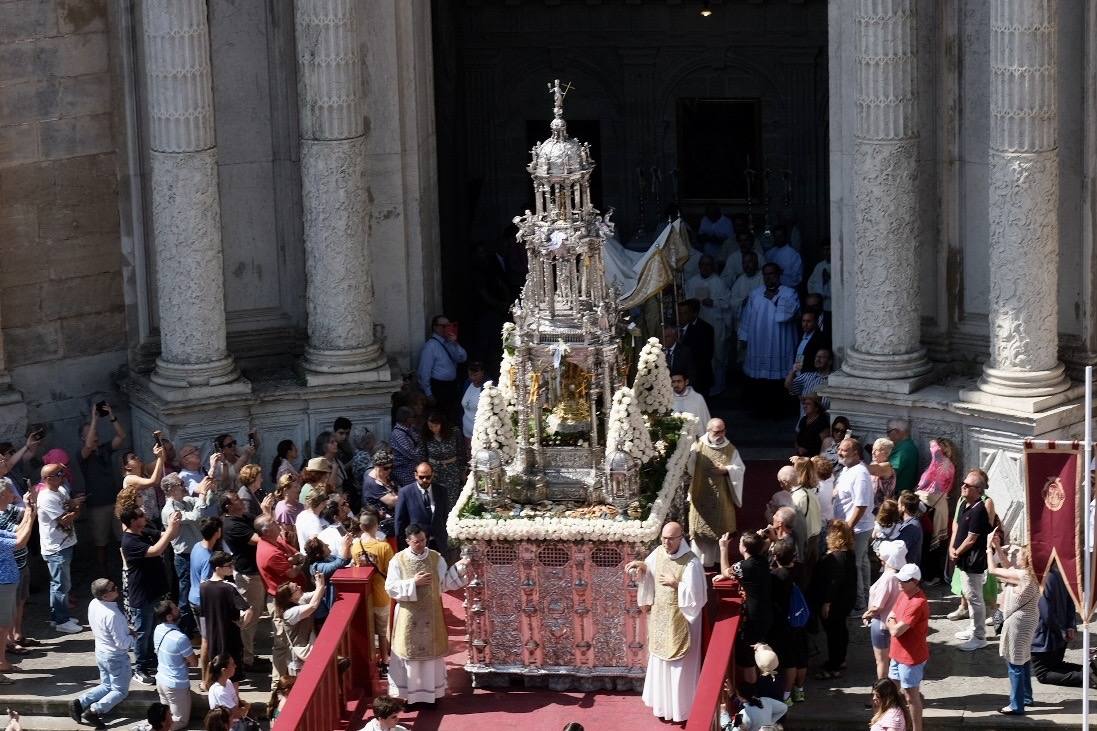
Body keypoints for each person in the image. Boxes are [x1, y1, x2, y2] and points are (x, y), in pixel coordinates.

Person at [626, 522, 706, 722]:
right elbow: (649, 568)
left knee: (678, 664)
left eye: (670, 539)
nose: (666, 542)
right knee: (660, 660)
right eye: (663, 538)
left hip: (681, 621)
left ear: (681, 538)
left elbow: (698, 597)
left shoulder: (691, 562)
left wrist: (676, 584)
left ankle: (680, 710)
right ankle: (662, 706)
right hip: (661, 617)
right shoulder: (659, 551)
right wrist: (640, 566)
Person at [385, 523, 471, 703]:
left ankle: (431, 695)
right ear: (408, 541)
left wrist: (460, 568)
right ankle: (408, 697)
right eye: (417, 542)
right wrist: (413, 583)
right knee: (410, 657)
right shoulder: (398, 560)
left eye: (423, 540)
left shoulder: (435, 558)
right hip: (408, 617)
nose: (421, 544)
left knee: (430, 658)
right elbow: (390, 588)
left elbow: (445, 583)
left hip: (431, 615)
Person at [121, 505, 182, 685]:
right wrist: (170, 529)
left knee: (154, 628)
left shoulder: (144, 532)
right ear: (132, 520)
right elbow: (155, 550)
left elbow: (167, 538)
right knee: (143, 632)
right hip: (142, 594)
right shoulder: (129, 541)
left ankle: (151, 659)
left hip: (155, 591)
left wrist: (174, 526)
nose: (144, 516)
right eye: (140, 514)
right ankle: (140, 668)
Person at [71, 578, 133, 729]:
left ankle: (80, 702)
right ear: (105, 596)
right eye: (113, 588)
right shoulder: (113, 615)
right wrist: (133, 637)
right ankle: (94, 710)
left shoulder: (94, 604)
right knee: (120, 690)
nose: (116, 588)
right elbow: (122, 643)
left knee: (106, 685)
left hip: (101, 652)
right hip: (115, 656)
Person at [988, 537, 1040, 715]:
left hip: (1018, 622)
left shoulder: (1023, 575)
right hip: (1028, 619)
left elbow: (993, 569)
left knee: (1014, 661)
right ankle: (1026, 697)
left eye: (1019, 554)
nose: (1015, 555)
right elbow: (1007, 566)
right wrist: (996, 546)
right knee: (1023, 658)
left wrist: (988, 549)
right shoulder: (1029, 573)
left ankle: (1016, 705)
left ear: (1025, 559)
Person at [738, 262, 799, 409]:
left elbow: (786, 316)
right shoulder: (755, 293)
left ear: (778, 275)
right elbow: (746, 317)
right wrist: (743, 337)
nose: (768, 277)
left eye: (771, 273)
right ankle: (760, 409)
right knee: (759, 379)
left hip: (780, 341)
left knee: (778, 378)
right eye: (765, 274)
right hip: (759, 342)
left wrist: (772, 298)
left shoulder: (789, 293)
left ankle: (778, 410)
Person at [719, 531, 772, 699]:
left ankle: (752, 696)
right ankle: (760, 692)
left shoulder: (744, 567)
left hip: (752, 618)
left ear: (744, 547)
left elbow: (726, 571)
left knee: (748, 659)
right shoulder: (763, 560)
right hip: (767, 613)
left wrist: (723, 548)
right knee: (762, 653)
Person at [686, 418, 744, 568]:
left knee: (721, 531)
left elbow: (740, 469)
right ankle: (699, 564)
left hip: (721, 498)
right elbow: (688, 466)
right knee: (699, 533)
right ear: (708, 431)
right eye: (717, 431)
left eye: (723, 431)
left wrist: (726, 470)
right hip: (700, 496)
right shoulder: (698, 446)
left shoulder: (730, 449)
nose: (721, 434)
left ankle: (719, 563)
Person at [161, 472, 214, 637]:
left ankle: (195, 625)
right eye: (180, 484)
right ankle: (186, 630)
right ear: (171, 489)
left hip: (194, 552)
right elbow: (196, 516)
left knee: (197, 589)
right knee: (186, 594)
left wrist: (208, 487)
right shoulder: (170, 510)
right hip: (184, 556)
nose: (184, 487)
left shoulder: (184, 501)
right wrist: (203, 493)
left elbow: (204, 504)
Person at [219, 493, 266, 670]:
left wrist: (266, 512)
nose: (241, 501)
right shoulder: (231, 524)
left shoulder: (244, 517)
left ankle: (248, 655)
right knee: (249, 618)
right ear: (228, 507)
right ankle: (246, 660)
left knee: (255, 614)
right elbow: (261, 538)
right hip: (248, 576)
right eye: (236, 500)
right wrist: (266, 513)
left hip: (255, 573)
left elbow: (262, 523)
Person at [38, 462, 84, 634]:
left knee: (59, 584)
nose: (61, 476)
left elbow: (69, 505)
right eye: (57, 474)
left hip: (65, 543)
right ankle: (62, 621)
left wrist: (75, 504)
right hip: (55, 548)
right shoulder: (46, 497)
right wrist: (76, 510)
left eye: (61, 473)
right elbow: (64, 519)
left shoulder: (61, 490)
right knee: (61, 585)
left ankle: (57, 616)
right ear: (46, 479)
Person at [79, 401, 127, 565]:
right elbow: (87, 445)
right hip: (97, 505)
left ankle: (126, 568)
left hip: (114, 501)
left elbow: (121, 436)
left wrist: (112, 417)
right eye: (90, 433)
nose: (95, 435)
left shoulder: (105, 449)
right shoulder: (82, 456)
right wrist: (94, 419)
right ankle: (102, 572)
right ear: (83, 438)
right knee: (101, 543)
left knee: (123, 538)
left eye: (95, 432)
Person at [950, 469, 992, 651]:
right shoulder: (967, 506)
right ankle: (973, 628)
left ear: (977, 490)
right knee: (970, 595)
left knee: (974, 597)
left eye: (967, 485)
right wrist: (952, 547)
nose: (963, 487)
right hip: (965, 560)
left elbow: (972, 538)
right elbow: (958, 529)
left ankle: (979, 636)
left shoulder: (979, 510)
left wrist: (957, 551)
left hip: (973, 560)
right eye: (963, 484)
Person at [810, 520, 857, 679]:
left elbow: (833, 582)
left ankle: (833, 666)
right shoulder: (848, 553)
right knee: (841, 630)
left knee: (833, 633)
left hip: (835, 603)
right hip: (845, 601)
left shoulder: (836, 557)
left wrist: (827, 603)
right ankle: (840, 659)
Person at [350, 508, 394, 676]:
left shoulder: (355, 547)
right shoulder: (384, 547)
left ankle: (371, 661)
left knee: (368, 631)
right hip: (381, 595)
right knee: (382, 633)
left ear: (361, 527)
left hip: (364, 596)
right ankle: (384, 662)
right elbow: (391, 571)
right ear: (376, 525)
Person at [886, 564, 928, 731]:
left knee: (911, 697)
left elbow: (896, 629)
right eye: (899, 579)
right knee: (892, 693)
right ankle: (893, 725)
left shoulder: (918, 602)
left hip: (911, 657)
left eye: (903, 581)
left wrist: (891, 623)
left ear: (915, 582)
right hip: (897, 653)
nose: (899, 583)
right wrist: (892, 622)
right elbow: (891, 616)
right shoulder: (903, 594)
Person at [834, 438, 874, 611]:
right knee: (862, 563)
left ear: (856, 453)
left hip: (857, 528)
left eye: (844, 450)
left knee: (854, 566)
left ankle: (859, 604)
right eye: (839, 449)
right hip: (854, 527)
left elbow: (861, 505)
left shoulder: (860, 474)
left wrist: (847, 528)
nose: (839, 453)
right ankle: (866, 598)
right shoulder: (847, 469)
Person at [1031, 564, 1087, 688]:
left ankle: (1089, 677)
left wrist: (1062, 630)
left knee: (1043, 673)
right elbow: (1070, 600)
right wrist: (1070, 626)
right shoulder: (1059, 574)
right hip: (1057, 634)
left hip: (1045, 637)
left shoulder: (1041, 578)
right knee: (1056, 666)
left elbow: (1046, 613)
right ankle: (1090, 672)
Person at [200, 552, 251, 687]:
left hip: (213, 638)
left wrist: (205, 637)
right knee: (233, 677)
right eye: (228, 565)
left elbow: (203, 615)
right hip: (231, 638)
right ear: (218, 568)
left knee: (216, 676)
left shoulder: (203, 587)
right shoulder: (229, 588)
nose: (231, 568)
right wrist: (242, 624)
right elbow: (248, 610)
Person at [0, 479, 34, 679]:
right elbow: (20, 542)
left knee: (4, 625)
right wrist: (30, 514)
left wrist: (30, 512)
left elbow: (16, 534)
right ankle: (1, 663)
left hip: (7, 583)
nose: (13, 496)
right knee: (2, 626)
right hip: (2, 584)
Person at [685, 254, 733, 395]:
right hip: (696, 325)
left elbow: (728, 303)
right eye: (703, 265)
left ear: (713, 267)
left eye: (708, 265)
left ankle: (717, 387)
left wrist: (714, 302)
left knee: (717, 355)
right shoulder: (692, 281)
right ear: (699, 266)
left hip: (715, 324)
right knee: (697, 356)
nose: (705, 267)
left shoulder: (719, 282)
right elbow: (686, 301)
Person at [767, 538, 807, 705]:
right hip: (801, 618)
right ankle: (800, 690)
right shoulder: (802, 570)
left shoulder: (775, 576)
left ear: (775, 556)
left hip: (784, 623)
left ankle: (786, 695)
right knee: (801, 657)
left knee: (789, 661)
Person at [862, 540, 906, 680]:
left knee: (881, 662)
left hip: (881, 624)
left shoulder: (888, 578)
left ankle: (882, 694)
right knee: (894, 662)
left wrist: (867, 614)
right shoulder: (901, 576)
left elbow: (878, 606)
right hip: (895, 623)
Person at [153, 600, 197, 730]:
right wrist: (187, 660)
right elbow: (194, 663)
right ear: (169, 616)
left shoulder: (158, 629)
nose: (178, 608)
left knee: (166, 718)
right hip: (176, 686)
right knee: (179, 721)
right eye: (175, 608)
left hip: (161, 681)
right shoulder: (180, 638)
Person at [417, 314, 469, 421]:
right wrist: (429, 393)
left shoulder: (450, 343)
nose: (447, 328)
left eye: (449, 325)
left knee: (452, 416)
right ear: (436, 327)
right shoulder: (430, 346)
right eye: (444, 326)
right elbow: (424, 372)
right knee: (440, 419)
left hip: (452, 386)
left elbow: (462, 358)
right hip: (439, 388)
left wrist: (454, 343)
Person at [394, 462, 450, 554]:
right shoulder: (406, 493)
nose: (424, 480)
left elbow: (445, 516)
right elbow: (400, 522)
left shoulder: (441, 491)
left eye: (428, 477)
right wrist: (403, 547)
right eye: (421, 477)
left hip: (438, 543)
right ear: (415, 475)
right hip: (417, 545)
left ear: (432, 475)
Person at [273, 577, 325, 675]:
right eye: (297, 588)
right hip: (298, 660)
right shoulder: (289, 613)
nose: (300, 587)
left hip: (308, 652)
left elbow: (318, 593)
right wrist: (320, 585)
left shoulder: (300, 600)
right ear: (290, 598)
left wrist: (320, 583)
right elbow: (313, 606)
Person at [422, 411, 464, 509]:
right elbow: (422, 455)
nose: (432, 429)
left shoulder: (454, 433)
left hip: (452, 471)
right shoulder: (426, 435)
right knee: (437, 500)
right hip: (434, 472)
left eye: (435, 426)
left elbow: (461, 452)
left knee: (452, 499)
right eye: (430, 426)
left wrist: (462, 470)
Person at [789, 456, 822, 574]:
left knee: (803, 575)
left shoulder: (799, 496)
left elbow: (793, 522)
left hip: (805, 541)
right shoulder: (813, 490)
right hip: (815, 537)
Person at [676, 299, 715, 396]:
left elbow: (705, 356)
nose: (680, 316)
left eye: (684, 313)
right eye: (679, 313)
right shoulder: (673, 327)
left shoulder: (705, 330)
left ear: (693, 314)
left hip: (699, 379)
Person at [785, 348, 833, 417]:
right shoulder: (807, 376)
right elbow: (788, 385)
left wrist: (804, 397)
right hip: (805, 423)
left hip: (823, 423)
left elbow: (814, 396)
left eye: (822, 357)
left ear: (829, 361)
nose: (817, 359)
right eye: (816, 357)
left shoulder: (833, 379)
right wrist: (793, 371)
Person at [207, 654, 252, 727]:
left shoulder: (228, 682)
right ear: (224, 670)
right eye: (232, 664)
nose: (235, 666)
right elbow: (235, 714)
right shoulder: (220, 691)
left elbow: (235, 700)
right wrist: (247, 707)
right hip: (229, 726)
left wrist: (242, 704)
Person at [362, 450, 398, 538]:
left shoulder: (386, 476)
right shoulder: (372, 483)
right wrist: (408, 494)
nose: (389, 470)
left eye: (391, 467)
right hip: (382, 527)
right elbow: (393, 501)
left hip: (392, 522)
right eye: (386, 468)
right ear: (376, 467)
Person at [389, 407, 422, 488]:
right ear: (407, 419)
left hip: (412, 470)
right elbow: (411, 453)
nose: (414, 419)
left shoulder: (409, 429)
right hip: (404, 472)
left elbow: (418, 440)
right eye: (413, 417)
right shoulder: (398, 434)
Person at [886, 420, 919, 494]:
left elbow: (890, 472)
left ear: (896, 431)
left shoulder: (903, 449)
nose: (888, 436)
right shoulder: (908, 445)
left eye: (888, 432)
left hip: (899, 492)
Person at [273, 474, 303, 550]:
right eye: (295, 487)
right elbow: (291, 539)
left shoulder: (298, 505)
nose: (299, 489)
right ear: (286, 490)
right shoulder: (284, 510)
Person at [460, 362, 486, 446]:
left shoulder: (487, 388)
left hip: (481, 432)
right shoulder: (467, 384)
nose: (472, 378)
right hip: (467, 429)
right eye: (470, 375)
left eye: (475, 375)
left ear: (482, 373)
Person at [895, 492, 924, 570]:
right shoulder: (912, 522)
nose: (897, 507)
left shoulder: (911, 527)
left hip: (906, 570)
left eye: (898, 504)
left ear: (903, 507)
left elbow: (899, 549)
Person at [348, 426, 377, 497]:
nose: (375, 440)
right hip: (367, 494)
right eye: (372, 438)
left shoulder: (360, 454)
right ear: (367, 441)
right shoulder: (363, 457)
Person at [868, 438, 897, 506]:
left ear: (887, 453)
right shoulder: (873, 463)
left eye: (877, 450)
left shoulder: (887, 467)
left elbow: (867, 470)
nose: (873, 452)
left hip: (880, 510)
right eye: (873, 449)